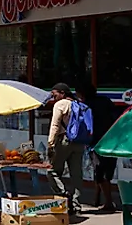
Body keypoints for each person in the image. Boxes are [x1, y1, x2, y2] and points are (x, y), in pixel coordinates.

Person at [47, 82, 86, 214]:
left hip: (64, 141)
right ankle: (76, 205)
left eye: (55, 94)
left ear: (62, 93)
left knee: (52, 171)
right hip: (79, 142)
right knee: (76, 174)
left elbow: (55, 125)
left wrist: (50, 143)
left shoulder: (60, 104)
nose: (53, 97)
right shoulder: (79, 103)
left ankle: (64, 196)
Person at [79, 83, 117, 211]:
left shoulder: (86, 105)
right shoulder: (105, 101)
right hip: (111, 139)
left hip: (96, 142)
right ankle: (97, 198)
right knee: (106, 171)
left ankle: (109, 202)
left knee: (100, 172)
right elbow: (115, 117)